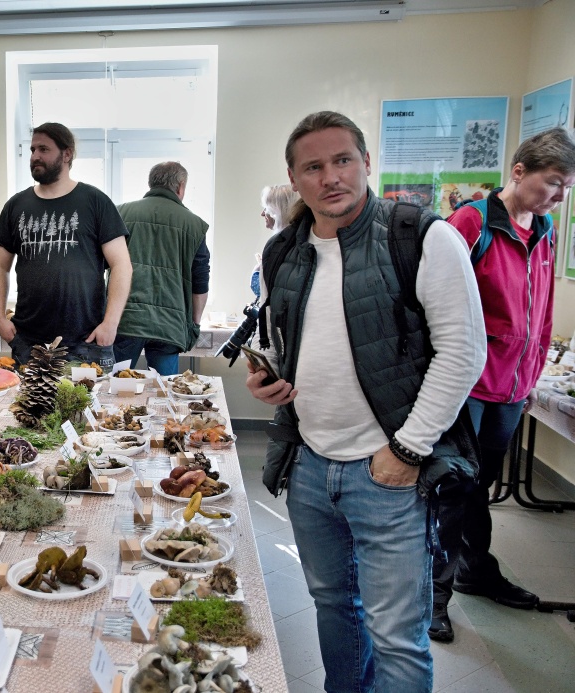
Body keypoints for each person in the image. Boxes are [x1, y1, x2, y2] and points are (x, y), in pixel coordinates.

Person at [246, 111, 486, 691]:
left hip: (391, 475)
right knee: (334, 608)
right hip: (308, 465)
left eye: (343, 160)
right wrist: (266, 380)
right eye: (314, 167)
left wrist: (407, 449)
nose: (331, 177)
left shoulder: (422, 237)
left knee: (397, 637)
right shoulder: (282, 252)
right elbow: (278, 341)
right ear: (294, 178)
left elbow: (463, 353)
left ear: (366, 163)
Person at [430, 127, 575, 642]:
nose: (559, 196)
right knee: (452, 488)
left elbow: (540, 307)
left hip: (513, 389)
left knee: (479, 488)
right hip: (468, 386)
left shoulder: (546, 227)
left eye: (566, 188)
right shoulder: (470, 224)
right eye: (553, 183)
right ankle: (434, 596)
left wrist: (532, 374)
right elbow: (435, 303)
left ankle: (475, 572)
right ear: (519, 172)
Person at [0, 122, 132, 369]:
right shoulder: (16, 205)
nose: (35, 156)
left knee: (89, 409)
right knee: (28, 408)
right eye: (33, 149)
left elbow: (121, 265)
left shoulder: (95, 202)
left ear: (67, 154)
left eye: (44, 149)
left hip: (85, 341)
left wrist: (111, 323)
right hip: (29, 342)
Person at [112, 161, 210, 375]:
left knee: (114, 387)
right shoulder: (194, 225)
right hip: (169, 325)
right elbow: (200, 281)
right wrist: (194, 322)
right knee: (165, 391)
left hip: (125, 319)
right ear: (180, 187)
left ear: (151, 183)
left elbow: (100, 264)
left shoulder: (119, 214)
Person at [250, 184, 300, 298]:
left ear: (279, 211)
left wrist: (259, 271)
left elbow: (268, 293)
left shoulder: (285, 246)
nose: (263, 213)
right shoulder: (282, 244)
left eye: (266, 208)